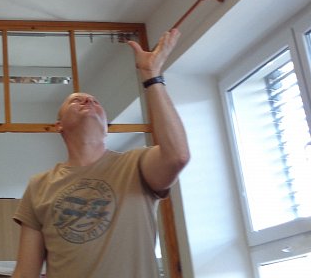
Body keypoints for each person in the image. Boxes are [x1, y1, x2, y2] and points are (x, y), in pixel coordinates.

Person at [11, 28, 190, 278]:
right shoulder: (39, 186)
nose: (88, 101)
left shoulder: (136, 164)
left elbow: (178, 156)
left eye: (95, 101)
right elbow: (25, 271)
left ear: (106, 125)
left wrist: (152, 75)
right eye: (76, 100)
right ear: (58, 125)